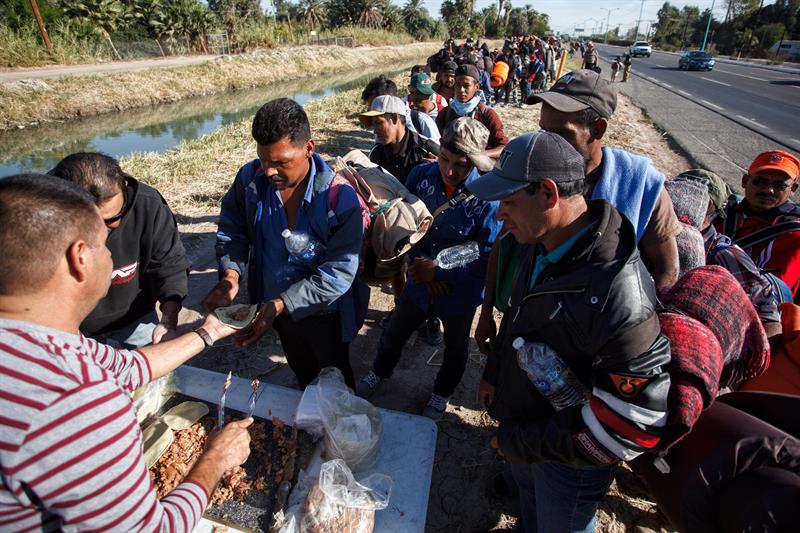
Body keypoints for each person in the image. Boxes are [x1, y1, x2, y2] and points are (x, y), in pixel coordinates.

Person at [0, 174, 252, 531]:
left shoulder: (44, 342)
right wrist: (215, 458)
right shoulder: (75, 397)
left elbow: (129, 366)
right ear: (80, 259)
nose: (113, 255)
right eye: (106, 244)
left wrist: (209, 332)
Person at [468, 132, 672, 533]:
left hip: (572, 460)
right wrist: (495, 372)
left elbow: (634, 424)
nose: (498, 215)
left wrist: (520, 444)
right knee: (531, 503)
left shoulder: (620, 294)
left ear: (548, 193)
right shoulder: (542, 239)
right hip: (529, 427)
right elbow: (518, 315)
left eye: (507, 202)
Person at [206, 98, 368, 389]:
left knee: (336, 379)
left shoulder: (339, 199)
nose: (269, 171)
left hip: (323, 314)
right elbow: (233, 230)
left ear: (309, 148)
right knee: (301, 366)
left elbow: (340, 272)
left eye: (280, 163)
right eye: (264, 160)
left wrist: (282, 303)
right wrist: (231, 276)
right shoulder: (250, 180)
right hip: (276, 311)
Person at [355, 118, 502, 421]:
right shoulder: (420, 176)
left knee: (456, 347)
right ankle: (379, 373)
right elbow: (405, 223)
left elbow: (486, 253)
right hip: (420, 279)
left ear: (474, 162)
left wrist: (441, 272)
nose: (449, 170)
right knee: (395, 333)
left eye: (460, 165)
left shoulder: (488, 196)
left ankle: (440, 394)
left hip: (461, 291)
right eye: (444, 159)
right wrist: (419, 264)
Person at [529, 69, 680, 291]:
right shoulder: (536, 170)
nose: (549, 144)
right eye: (544, 131)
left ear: (597, 129)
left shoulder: (641, 185)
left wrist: (628, 319)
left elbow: (667, 271)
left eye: (561, 134)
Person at [49, 152, 190, 348]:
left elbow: (170, 264)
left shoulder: (148, 204)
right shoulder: (38, 218)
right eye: (94, 223)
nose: (109, 228)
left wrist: (168, 319)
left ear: (123, 185)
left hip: (135, 322)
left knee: (154, 375)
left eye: (114, 217)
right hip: (69, 330)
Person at [670, 170, 782, 339]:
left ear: (707, 206)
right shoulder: (656, 237)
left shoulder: (726, 256)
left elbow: (769, 319)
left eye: (688, 195)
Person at [717, 150, 800, 301]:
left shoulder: (793, 233)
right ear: (744, 181)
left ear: (793, 189)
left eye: (780, 185)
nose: (768, 190)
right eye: (760, 181)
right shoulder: (725, 213)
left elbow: (770, 292)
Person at [359, 95, 440, 185]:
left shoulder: (426, 148)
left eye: (379, 123)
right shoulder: (376, 153)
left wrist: (441, 168)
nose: (375, 131)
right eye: (374, 125)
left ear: (394, 118)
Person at [436, 64, 509, 159]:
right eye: (458, 85)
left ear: (477, 86)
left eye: (466, 86)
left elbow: (504, 147)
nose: (461, 90)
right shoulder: (446, 112)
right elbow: (438, 141)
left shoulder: (487, 114)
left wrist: (478, 156)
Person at [360, 75, 440, 143]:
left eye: (374, 105)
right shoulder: (381, 128)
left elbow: (439, 153)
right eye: (370, 107)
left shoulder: (421, 120)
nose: (372, 110)